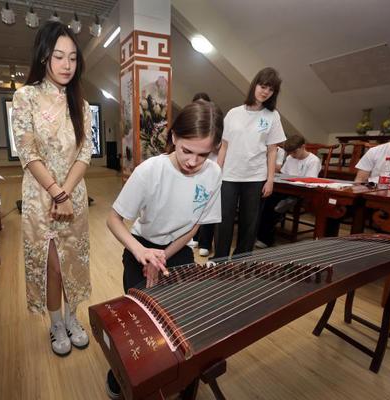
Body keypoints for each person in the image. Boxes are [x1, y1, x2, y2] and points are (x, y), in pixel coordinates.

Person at [105, 100, 224, 399]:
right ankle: (121, 372)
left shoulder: (213, 173)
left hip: (176, 249)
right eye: (187, 150)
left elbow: (193, 227)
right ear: (174, 136)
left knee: (179, 316)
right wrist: (142, 253)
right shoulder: (150, 171)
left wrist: (162, 258)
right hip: (141, 246)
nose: (193, 162)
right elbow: (113, 219)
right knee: (139, 322)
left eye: (203, 154)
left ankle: (174, 374)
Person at [11, 21, 93, 357]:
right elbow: (27, 152)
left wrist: (68, 193)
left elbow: (85, 153)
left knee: (74, 260)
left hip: (73, 196)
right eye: (59, 56)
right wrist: (57, 193)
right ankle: (57, 323)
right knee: (52, 265)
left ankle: (73, 317)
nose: (66, 65)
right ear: (44, 56)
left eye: (72, 58)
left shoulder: (81, 104)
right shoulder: (25, 96)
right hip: (41, 197)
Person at [214, 67, 286, 258]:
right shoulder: (233, 113)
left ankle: (242, 260)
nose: (265, 92)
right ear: (254, 85)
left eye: (270, 89)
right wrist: (216, 172)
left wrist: (270, 180)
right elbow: (224, 146)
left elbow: (272, 150)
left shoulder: (272, 116)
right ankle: (220, 259)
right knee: (223, 219)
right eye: (263, 86)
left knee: (249, 222)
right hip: (229, 175)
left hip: (255, 177)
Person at [256, 134, 321, 247]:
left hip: (299, 193)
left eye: (294, 152)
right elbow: (283, 174)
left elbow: (310, 182)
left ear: (303, 147)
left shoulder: (313, 161)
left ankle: (266, 239)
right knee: (263, 199)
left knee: (271, 206)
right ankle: (259, 234)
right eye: (290, 153)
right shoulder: (290, 158)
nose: (292, 155)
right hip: (285, 190)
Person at [190, 92, 221, 257]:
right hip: (194, 168)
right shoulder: (191, 122)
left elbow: (220, 146)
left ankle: (206, 243)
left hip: (212, 167)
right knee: (195, 204)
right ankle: (194, 236)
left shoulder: (215, 123)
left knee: (208, 205)